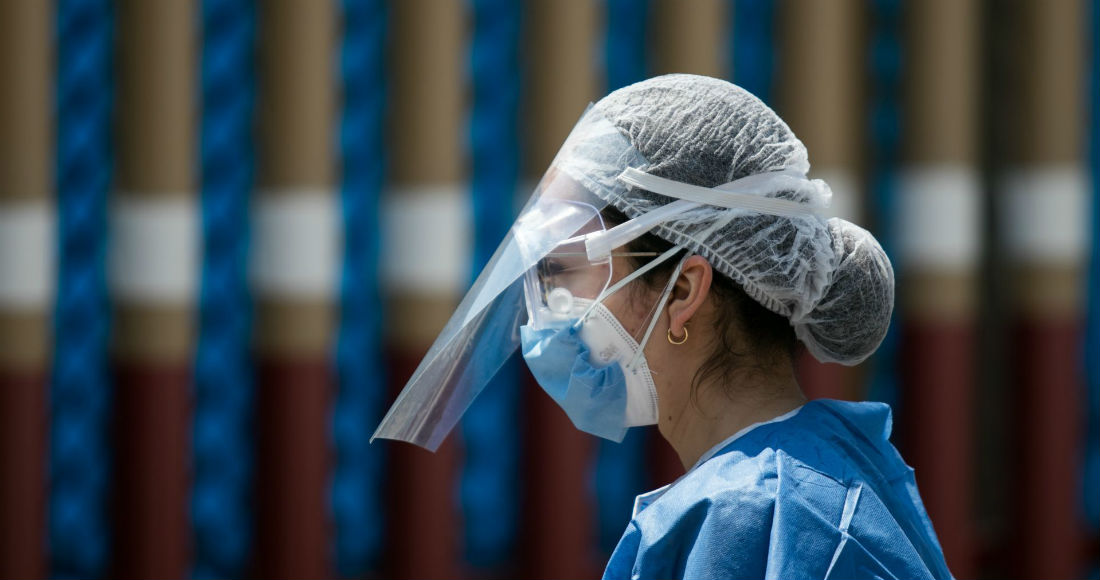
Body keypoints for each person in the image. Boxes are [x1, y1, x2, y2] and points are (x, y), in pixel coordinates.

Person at [373, 74, 952, 579]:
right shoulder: (842, 467)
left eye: (570, 271)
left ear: (682, 291)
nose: (543, 309)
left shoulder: (744, 520)